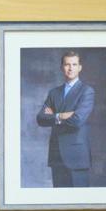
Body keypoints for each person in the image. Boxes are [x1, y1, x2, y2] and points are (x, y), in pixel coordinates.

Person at [36, 50, 95, 188]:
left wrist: (53, 115)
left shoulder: (87, 91)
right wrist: (61, 115)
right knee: (59, 202)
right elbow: (40, 118)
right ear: (62, 67)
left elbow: (77, 121)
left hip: (77, 157)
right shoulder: (54, 92)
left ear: (80, 67)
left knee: (80, 203)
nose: (70, 68)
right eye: (67, 64)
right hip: (57, 156)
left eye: (74, 64)